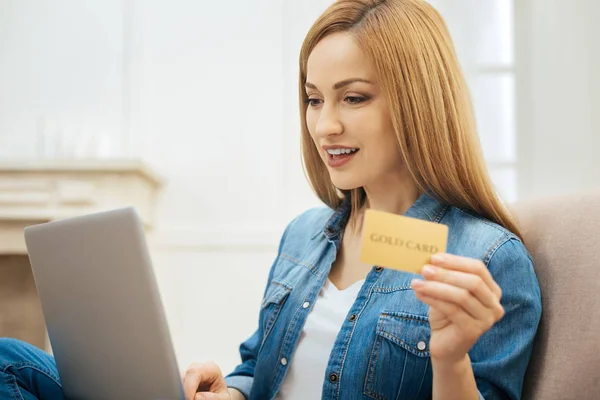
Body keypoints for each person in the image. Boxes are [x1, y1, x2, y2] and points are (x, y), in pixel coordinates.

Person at [0, 0, 541, 399]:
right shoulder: (306, 234)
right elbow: (260, 363)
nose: (325, 125)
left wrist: (450, 363)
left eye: (353, 98)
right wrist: (230, 392)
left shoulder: (485, 259)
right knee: (9, 362)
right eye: (313, 99)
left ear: (419, 102)